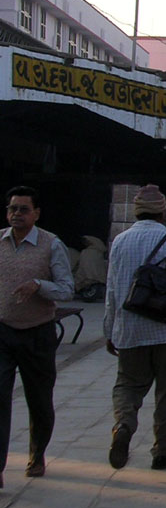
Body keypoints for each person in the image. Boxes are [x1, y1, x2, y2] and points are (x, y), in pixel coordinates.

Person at [103, 185, 166, 471]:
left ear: (136, 211)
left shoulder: (120, 241)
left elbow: (111, 290)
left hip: (130, 330)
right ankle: (161, 450)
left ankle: (123, 424)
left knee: (128, 384)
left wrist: (109, 330)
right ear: (163, 211)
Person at [0, 186, 74, 488]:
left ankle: (37, 453)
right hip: (3, 331)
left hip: (39, 332)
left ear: (37, 213)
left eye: (23, 209)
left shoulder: (51, 244)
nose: (16, 214)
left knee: (40, 401)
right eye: (12, 209)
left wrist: (38, 285)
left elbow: (67, 288)